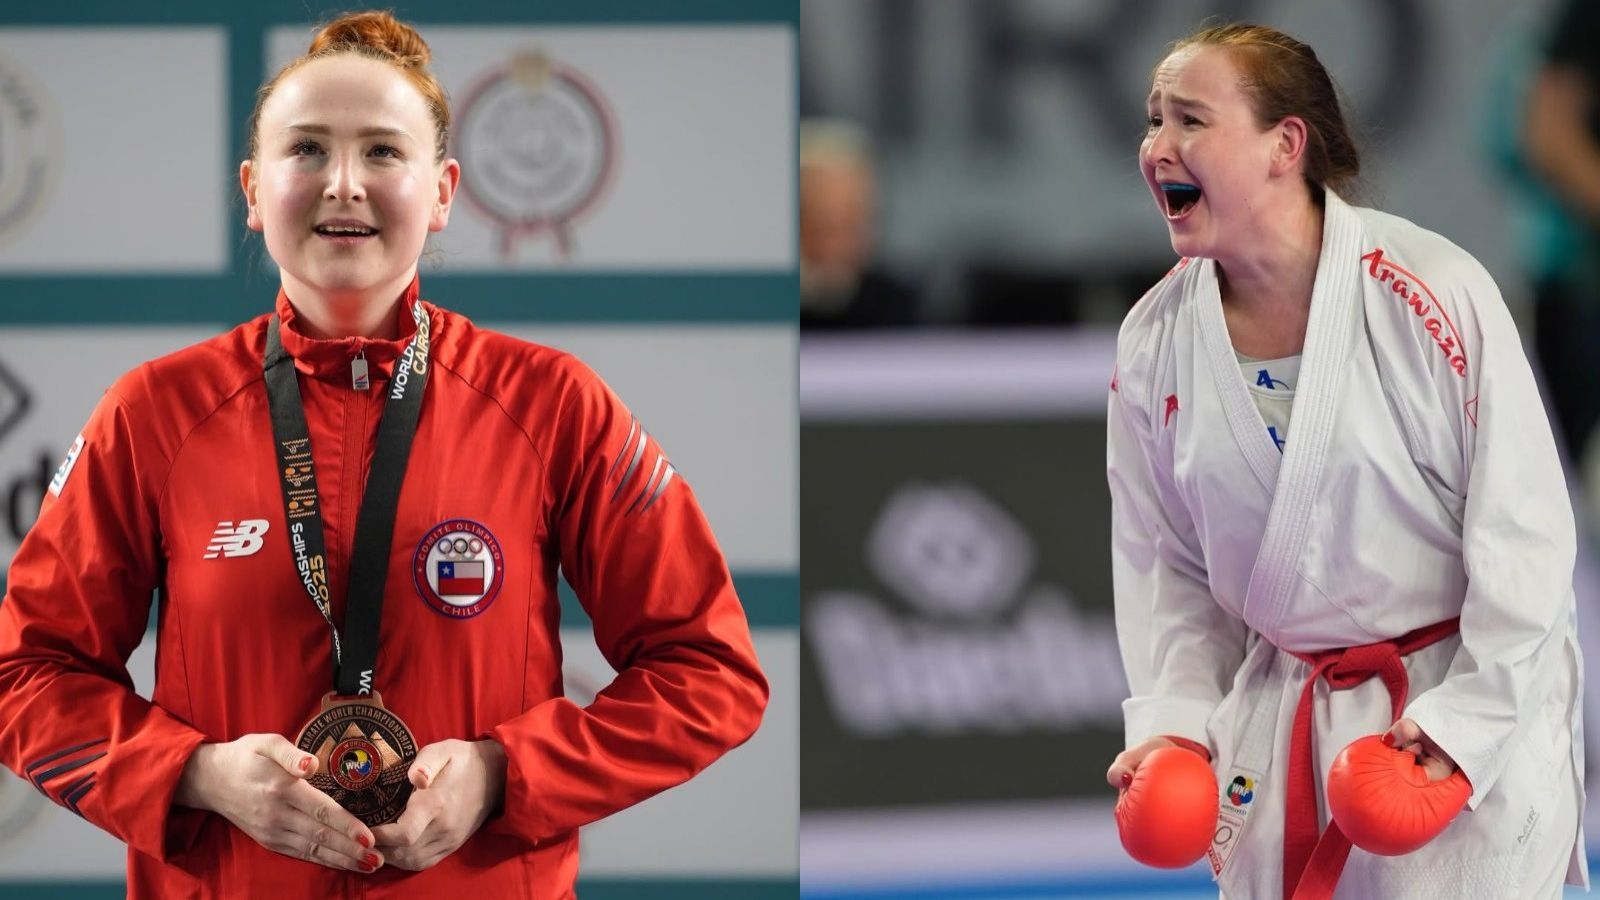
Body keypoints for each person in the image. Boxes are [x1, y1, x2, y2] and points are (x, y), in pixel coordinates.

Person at [0, 10, 767, 898]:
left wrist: (504, 774)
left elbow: (711, 673)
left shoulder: (551, 405)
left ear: (442, 191)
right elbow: (25, 677)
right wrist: (198, 775)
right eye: (308, 150)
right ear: (252, 189)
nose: (344, 185)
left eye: (382, 152)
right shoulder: (155, 414)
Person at [1103, 23, 1585, 898]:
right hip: (1285, 717)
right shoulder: (1154, 340)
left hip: (1448, 710)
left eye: (1190, 120)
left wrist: (1461, 731)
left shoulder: (1433, 292)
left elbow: (1528, 541)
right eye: (1153, 121)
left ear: (1285, 144)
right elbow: (1166, 565)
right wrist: (1175, 727)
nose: (1157, 147)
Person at [799, 118, 921, 329]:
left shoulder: (899, 309)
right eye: (822, 226)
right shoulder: (760, 310)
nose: (835, 245)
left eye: (851, 224)